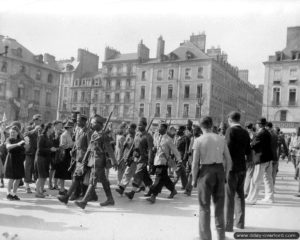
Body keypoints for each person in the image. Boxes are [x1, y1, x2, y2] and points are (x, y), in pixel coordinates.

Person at [192, 116, 231, 240]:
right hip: (219, 170)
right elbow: (229, 160)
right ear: (212, 124)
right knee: (219, 206)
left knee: (204, 207)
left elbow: (194, 163)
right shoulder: (221, 138)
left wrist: (194, 179)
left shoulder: (198, 140)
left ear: (200, 126)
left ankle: (205, 237)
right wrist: (226, 174)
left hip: (205, 172)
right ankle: (221, 236)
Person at [74, 115, 117, 209]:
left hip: (99, 160)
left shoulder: (104, 135)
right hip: (93, 160)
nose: (91, 124)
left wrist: (114, 161)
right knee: (104, 181)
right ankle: (110, 199)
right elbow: (89, 148)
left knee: (92, 180)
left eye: (93, 122)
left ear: (99, 124)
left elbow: (109, 149)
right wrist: (84, 160)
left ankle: (84, 202)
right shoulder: (94, 134)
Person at [57, 114, 93, 205]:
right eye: (77, 120)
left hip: (84, 158)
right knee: (79, 177)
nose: (77, 122)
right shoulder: (79, 130)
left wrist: (86, 159)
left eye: (79, 120)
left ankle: (68, 197)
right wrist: (73, 150)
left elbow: (90, 147)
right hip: (77, 157)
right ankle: (84, 195)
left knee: (77, 177)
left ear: (84, 121)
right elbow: (77, 143)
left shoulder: (88, 132)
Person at [224, 111, 251, 232]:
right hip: (242, 167)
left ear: (229, 119)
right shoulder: (245, 132)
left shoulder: (230, 131)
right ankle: (240, 223)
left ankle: (227, 225)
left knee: (229, 196)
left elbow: (227, 149)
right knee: (239, 195)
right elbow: (248, 151)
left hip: (231, 168)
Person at [146, 121, 180, 203]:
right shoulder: (158, 137)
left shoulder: (168, 139)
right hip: (157, 161)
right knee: (165, 179)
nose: (158, 128)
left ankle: (153, 196)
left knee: (158, 179)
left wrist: (179, 160)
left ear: (165, 129)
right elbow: (156, 147)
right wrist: (154, 149)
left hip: (163, 161)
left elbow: (175, 150)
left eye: (160, 127)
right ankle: (173, 190)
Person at [245, 118, 274, 204]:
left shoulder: (260, 134)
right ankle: (270, 197)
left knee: (255, 180)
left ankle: (252, 199)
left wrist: (249, 143)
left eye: (257, 124)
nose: (256, 126)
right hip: (269, 158)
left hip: (261, 159)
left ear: (259, 124)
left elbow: (253, 145)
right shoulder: (268, 132)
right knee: (268, 179)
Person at [124, 117, 154, 200]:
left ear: (145, 125)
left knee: (137, 174)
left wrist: (150, 161)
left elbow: (151, 150)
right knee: (145, 176)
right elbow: (133, 146)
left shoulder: (148, 136)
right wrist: (129, 156)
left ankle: (132, 193)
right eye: (138, 125)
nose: (139, 126)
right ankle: (153, 190)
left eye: (141, 125)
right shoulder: (137, 134)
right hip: (136, 157)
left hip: (143, 158)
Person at [4, 126, 28, 200]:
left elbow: (26, 149)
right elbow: (8, 147)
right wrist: (17, 144)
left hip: (19, 160)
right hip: (11, 160)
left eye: (14, 132)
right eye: (11, 132)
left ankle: (14, 194)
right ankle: (8, 194)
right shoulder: (9, 139)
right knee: (11, 178)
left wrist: (27, 143)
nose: (12, 134)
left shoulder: (21, 139)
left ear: (17, 133)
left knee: (18, 178)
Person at [115, 123, 138, 195]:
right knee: (132, 173)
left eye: (129, 128)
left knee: (129, 173)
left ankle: (122, 188)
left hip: (134, 158)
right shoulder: (128, 136)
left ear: (133, 129)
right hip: (127, 157)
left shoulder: (136, 137)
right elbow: (125, 146)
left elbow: (137, 148)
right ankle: (143, 185)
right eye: (127, 128)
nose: (128, 129)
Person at [35, 123, 57, 198]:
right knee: (41, 176)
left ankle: (41, 191)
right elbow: (39, 149)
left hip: (47, 158)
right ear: (48, 128)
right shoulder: (41, 136)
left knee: (44, 176)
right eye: (52, 128)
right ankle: (37, 192)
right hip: (41, 158)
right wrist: (50, 149)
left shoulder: (49, 137)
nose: (53, 129)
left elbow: (49, 146)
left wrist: (54, 148)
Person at [24, 114, 42, 194]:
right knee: (28, 168)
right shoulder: (29, 127)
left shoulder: (41, 129)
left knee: (37, 169)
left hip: (38, 152)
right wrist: (34, 130)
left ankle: (37, 187)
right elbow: (25, 135)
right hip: (30, 151)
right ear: (34, 120)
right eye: (38, 120)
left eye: (40, 120)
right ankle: (27, 186)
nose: (40, 121)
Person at [55, 121, 74, 195]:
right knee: (62, 173)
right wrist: (71, 145)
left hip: (68, 155)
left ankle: (62, 188)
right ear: (69, 128)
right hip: (64, 155)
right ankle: (61, 189)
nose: (73, 129)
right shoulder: (64, 135)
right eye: (72, 127)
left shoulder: (69, 134)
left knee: (65, 173)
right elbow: (62, 145)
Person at [184, 125, 201, 196]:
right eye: (193, 130)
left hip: (198, 159)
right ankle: (188, 189)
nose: (194, 132)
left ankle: (188, 189)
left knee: (192, 174)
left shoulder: (200, 139)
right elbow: (190, 149)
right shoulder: (192, 138)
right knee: (191, 174)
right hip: (191, 159)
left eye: (195, 130)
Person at [49, 120, 63, 190]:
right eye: (59, 125)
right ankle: (50, 184)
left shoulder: (61, 133)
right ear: (55, 125)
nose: (61, 126)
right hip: (52, 153)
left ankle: (56, 184)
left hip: (59, 153)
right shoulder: (51, 133)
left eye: (61, 125)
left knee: (57, 169)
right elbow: (50, 143)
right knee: (52, 169)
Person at [244, 123, 256, 197]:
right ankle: (245, 192)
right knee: (249, 174)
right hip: (251, 156)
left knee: (243, 174)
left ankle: (242, 190)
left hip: (243, 156)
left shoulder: (242, 133)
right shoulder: (255, 135)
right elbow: (254, 145)